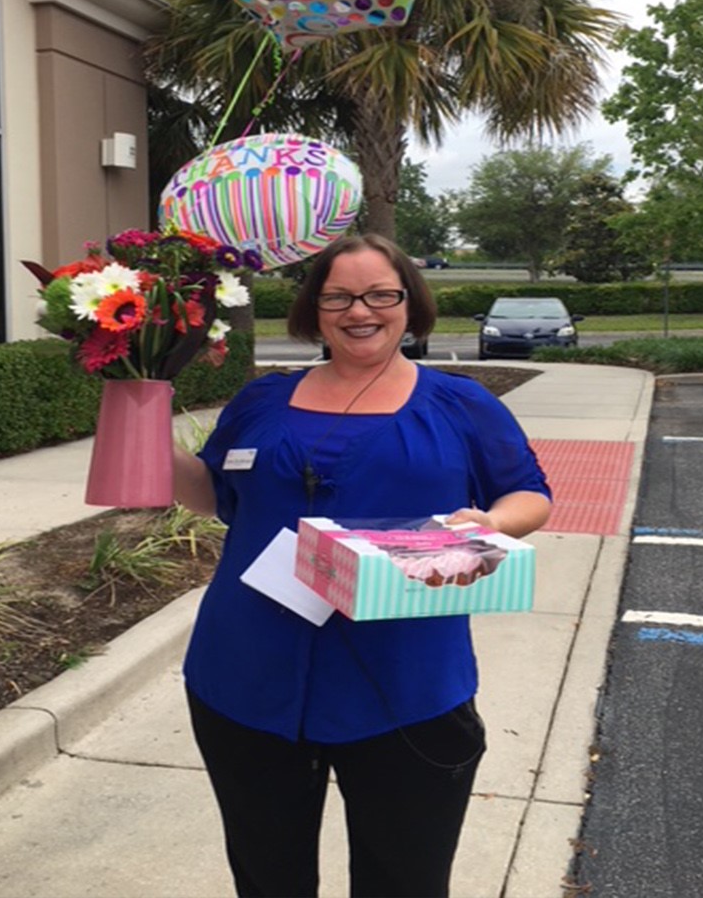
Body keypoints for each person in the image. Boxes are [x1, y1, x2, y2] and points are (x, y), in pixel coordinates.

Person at [171, 234, 553, 898]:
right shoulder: (261, 402)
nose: (360, 311)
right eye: (339, 296)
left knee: (404, 880)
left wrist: (490, 523)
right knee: (267, 878)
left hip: (405, 686)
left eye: (381, 294)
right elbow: (212, 494)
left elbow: (529, 494)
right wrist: (135, 408)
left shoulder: (460, 405)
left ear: (410, 303)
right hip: (244, 678)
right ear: (313, 309)